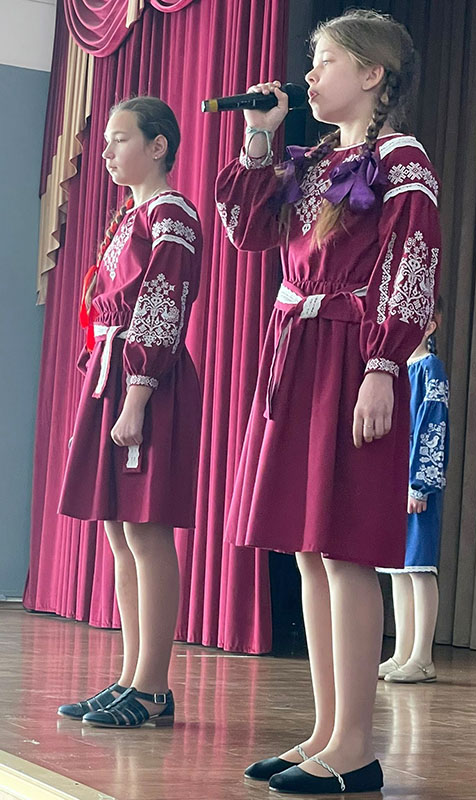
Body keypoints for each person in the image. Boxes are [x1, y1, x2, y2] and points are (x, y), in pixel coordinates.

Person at [216, 9, 441, 794]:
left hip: (352, 352)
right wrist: (259, 138)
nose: (309, 75)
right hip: (300, 349)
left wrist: (382, 365)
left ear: (373, 75)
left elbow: (412, 262)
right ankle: (325, 731)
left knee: (344, 548)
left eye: (327, 61)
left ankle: (355, 747)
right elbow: (245, 230)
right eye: (311, 61)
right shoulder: (309, 161)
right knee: (309, 548)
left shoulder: (400, 160)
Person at [56, 96, 202, 728]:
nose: (108, 152)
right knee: (118, 532)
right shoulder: (130, 217)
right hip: (113, 373)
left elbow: (162, 304)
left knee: (145, 530)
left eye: (120, 139)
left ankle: (153, 687)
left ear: (158, 145)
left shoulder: (172, 214)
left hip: (148, 378)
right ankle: (128, 676)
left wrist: (137, 395)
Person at [377, 297, 449, 684]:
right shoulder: (396, 371)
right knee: (398, 569)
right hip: (393, 481)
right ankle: (401, 652)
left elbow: (432, 425)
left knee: (420, 568)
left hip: (416, 482)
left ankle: (422, 656)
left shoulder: (429, 368)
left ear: (429, 326)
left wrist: (420, 483)